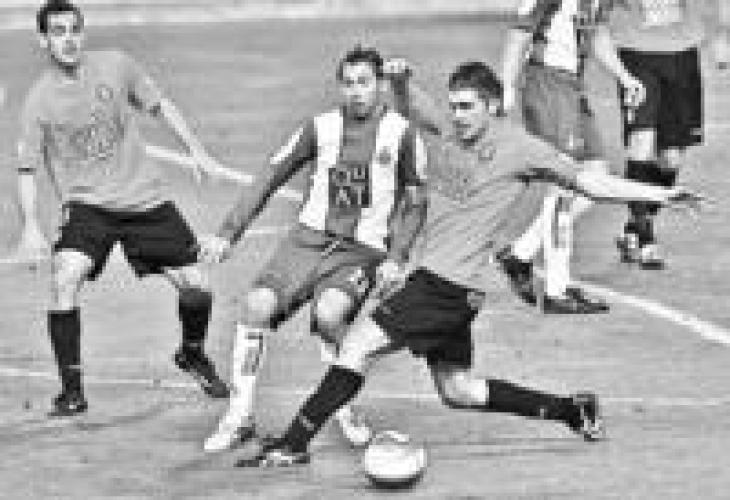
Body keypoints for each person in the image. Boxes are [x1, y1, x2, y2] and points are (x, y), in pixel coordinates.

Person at [227, 60, 701, 466]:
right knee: (459, 390)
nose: (458, 115)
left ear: (492, 106)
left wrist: (660, 194)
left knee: (356, 347)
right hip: (452, 288)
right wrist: (402, 80)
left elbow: (592, 184)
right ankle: (571, 410)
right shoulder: (450, 135)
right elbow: (412, 108)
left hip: (445, 287)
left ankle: (293, 444)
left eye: (467, 107)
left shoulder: (521, 149)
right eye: (454, 106)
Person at [197, 45, 427, 452]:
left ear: (380, 85)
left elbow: (415, 202)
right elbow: (268, 178)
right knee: (256, 305)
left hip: (361, 250)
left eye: (365, 82)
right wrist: (227, 233)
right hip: (305, 242)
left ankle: (343, 405)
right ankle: (239, 416)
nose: (356, 91)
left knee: (330, 315)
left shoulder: (402, 133)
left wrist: (396, 258)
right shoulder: (319, 128)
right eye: (348, 83)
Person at [14, 0, 229, 416]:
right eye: (58, 32)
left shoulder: (116, 64)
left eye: (74, 29)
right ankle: (72, 392)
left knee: (198, 288)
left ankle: (192, 353)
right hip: (89, 205)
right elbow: (27, 169)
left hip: (145, 198)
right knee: (64, 278)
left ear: (83, 32)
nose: (69, 39)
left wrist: (197, 150)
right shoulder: (39, 100)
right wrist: (30, 227)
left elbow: (161, 105)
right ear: (43, 40)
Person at [499, 0, 644, 312]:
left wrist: (624, 76)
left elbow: (597, 33)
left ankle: (520, 254)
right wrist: (507, 87)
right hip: (546, 84)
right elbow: (519, 33)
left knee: (597, 178)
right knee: (563, 185)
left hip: (572, 86)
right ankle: (557, 290)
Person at [610, 0, 714, 268]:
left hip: (683, 56)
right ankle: (646, 240)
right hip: (635, 52)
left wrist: (721, 34)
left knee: (671, 159)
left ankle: (635, 225)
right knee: (641, 143)